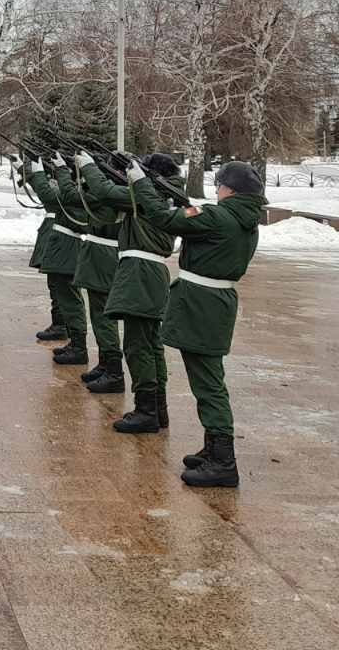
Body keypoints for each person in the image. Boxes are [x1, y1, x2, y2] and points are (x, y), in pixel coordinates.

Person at [129, 157, 266, 488]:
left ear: (228, 189)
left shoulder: (216, 216)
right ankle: (213, 449)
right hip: (213, 304)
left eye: (219, 185)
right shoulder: (243, 219)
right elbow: (196, 220)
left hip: (201, 305)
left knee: (208, 384)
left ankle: (223, 462)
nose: (216, 190)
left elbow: (164, 218)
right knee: (208, 379)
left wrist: (139, 182)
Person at [74, 150, 184, 431]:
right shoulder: (162, 197)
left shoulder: (149, 196)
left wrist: (87, 165)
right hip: (151, 273)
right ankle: (158, 408)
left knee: (137, 346)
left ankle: (146, 411)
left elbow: (103, 191)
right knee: (151, 344)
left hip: (140, 272)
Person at [54, 154, 126, 391]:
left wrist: (64, 171)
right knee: (98, 314)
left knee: (103, 316)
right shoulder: (112, 191)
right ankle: (106, 364)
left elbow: (71, 196)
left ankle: (114, 371)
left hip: (104, 257)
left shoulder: (110, 193)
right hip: (100, 255)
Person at [22, 156, 91, 367]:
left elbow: (50, 197)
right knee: (63, 293)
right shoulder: (78, 192)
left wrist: (38, 172)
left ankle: (78, 345)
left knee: (70, 298)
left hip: (68, 249)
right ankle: (74, 341)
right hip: (64, 247)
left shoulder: (80, 194)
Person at [18, 158, 66, 342]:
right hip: (53, 232)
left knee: (58, 285)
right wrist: (24, 169)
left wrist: (33, 172)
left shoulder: (66, 186)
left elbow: (47, 193)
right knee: (55, 284)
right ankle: (60, 324)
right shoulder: (63, 184)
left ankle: (61, 326)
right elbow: (44, 189)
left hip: (58, 235)